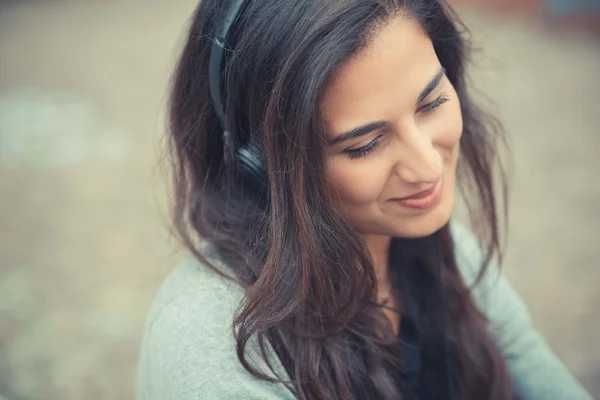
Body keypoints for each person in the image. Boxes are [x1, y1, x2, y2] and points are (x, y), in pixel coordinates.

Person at [136, 0, 593, 399]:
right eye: (365, 145)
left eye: (432, 103)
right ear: (262, 164)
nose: (428, 168)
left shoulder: (444, 246)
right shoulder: (210, 344)